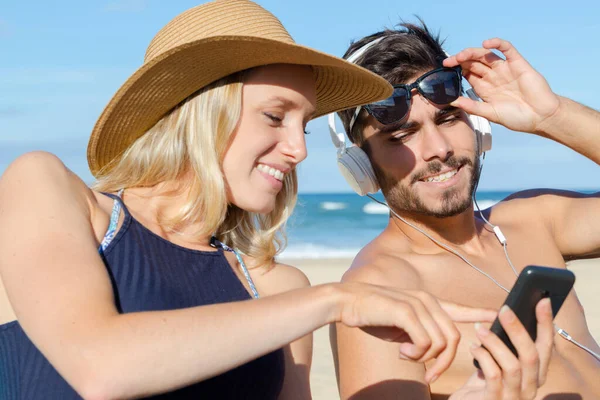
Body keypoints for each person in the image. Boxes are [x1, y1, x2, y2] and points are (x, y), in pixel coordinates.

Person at [0, 2, 504, 399]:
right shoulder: (50, 191)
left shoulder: (279, 287)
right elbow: (99, 366)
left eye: (303, 124)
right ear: (201, 111)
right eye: (273, 116)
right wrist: (335, 300)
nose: (300, 149)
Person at [330, 21, 600, 399]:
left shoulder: (535, 220)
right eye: (402, 136)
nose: (438, 148)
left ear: (476, 124)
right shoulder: (378, 292)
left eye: (446, 119)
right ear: (361, 166)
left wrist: (552, 117)